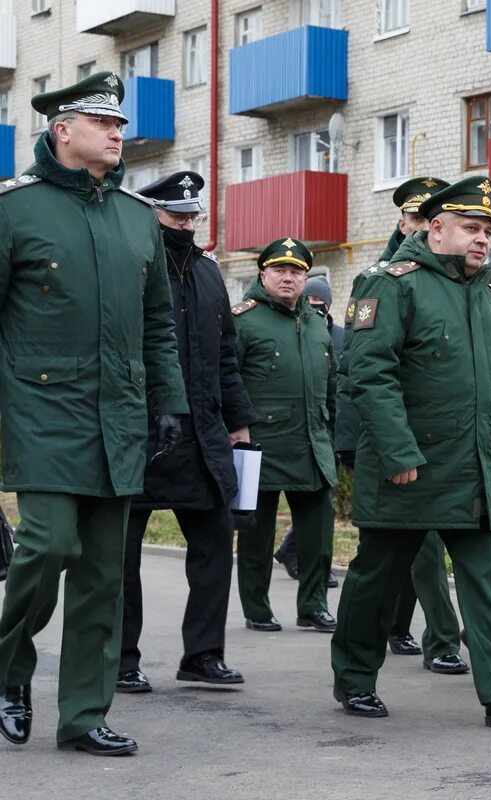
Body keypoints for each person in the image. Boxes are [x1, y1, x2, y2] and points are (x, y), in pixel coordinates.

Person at [0, 72, 187, 756]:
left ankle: (82, 715)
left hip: (121, 419)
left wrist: (169, 402)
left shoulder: (138, 218)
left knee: (104, 577)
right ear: (62, 130)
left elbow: (158, 325)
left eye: (119, 125)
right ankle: (9, 667)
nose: (117, 133)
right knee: (47, 546)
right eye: (102, 123)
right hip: (40, 411)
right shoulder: (14, 211)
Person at [331, 176, 491, 727]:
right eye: (470, 229)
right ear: (436, 229)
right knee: (378, 579)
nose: (483, 240)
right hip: (410, 469)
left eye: (488, 231)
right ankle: (355, 678)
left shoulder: (490, 295)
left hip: (476, 468)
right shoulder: (390, 284)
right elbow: (369, 374)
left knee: (487, 582)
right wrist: (397, 452)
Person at [116, 171, 255, 695]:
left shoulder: (208, 274)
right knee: (121, 556)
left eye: (192, 217)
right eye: (176, 217)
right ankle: (122, 658)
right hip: (140, 430)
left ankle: (203, 655)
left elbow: (225, 356)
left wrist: (239, 425)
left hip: (204, 434)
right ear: (150, 215)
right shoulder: (131, 266)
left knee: (216, 547)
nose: (187, 225)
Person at [332, 176, 466, 675]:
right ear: (407, 222)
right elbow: (362, 372)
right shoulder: (379, 278)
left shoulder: (466, 280)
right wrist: (370, 444)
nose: (417, 226)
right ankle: (408, 643)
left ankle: (438, 640)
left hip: (452, 446)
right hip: (399, 446)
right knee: (403, 557)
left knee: (439, 555)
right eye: (411, 218)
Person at [232, 237, 338, 634]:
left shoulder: (315, 321)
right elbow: (227, 381)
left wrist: (330, 430)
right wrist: (233, 429)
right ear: (263, 274)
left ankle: (313, 605)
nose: (288, 278)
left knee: (318, 535)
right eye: (280, 270)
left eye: (296, 272)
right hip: (260, 443)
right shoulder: (244, 319)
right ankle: (257, 608)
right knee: (256, 535)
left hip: (312, 443)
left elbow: (331, 381)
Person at [273, 271, 342, 591]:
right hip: (302, 433)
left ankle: (294, 555)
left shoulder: (340, 336)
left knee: (322, 507)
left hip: (333, 431)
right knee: (316, 505)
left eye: (321, 304)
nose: (316, 309)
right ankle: (295, 554)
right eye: (310, 302)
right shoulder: (297, 332)